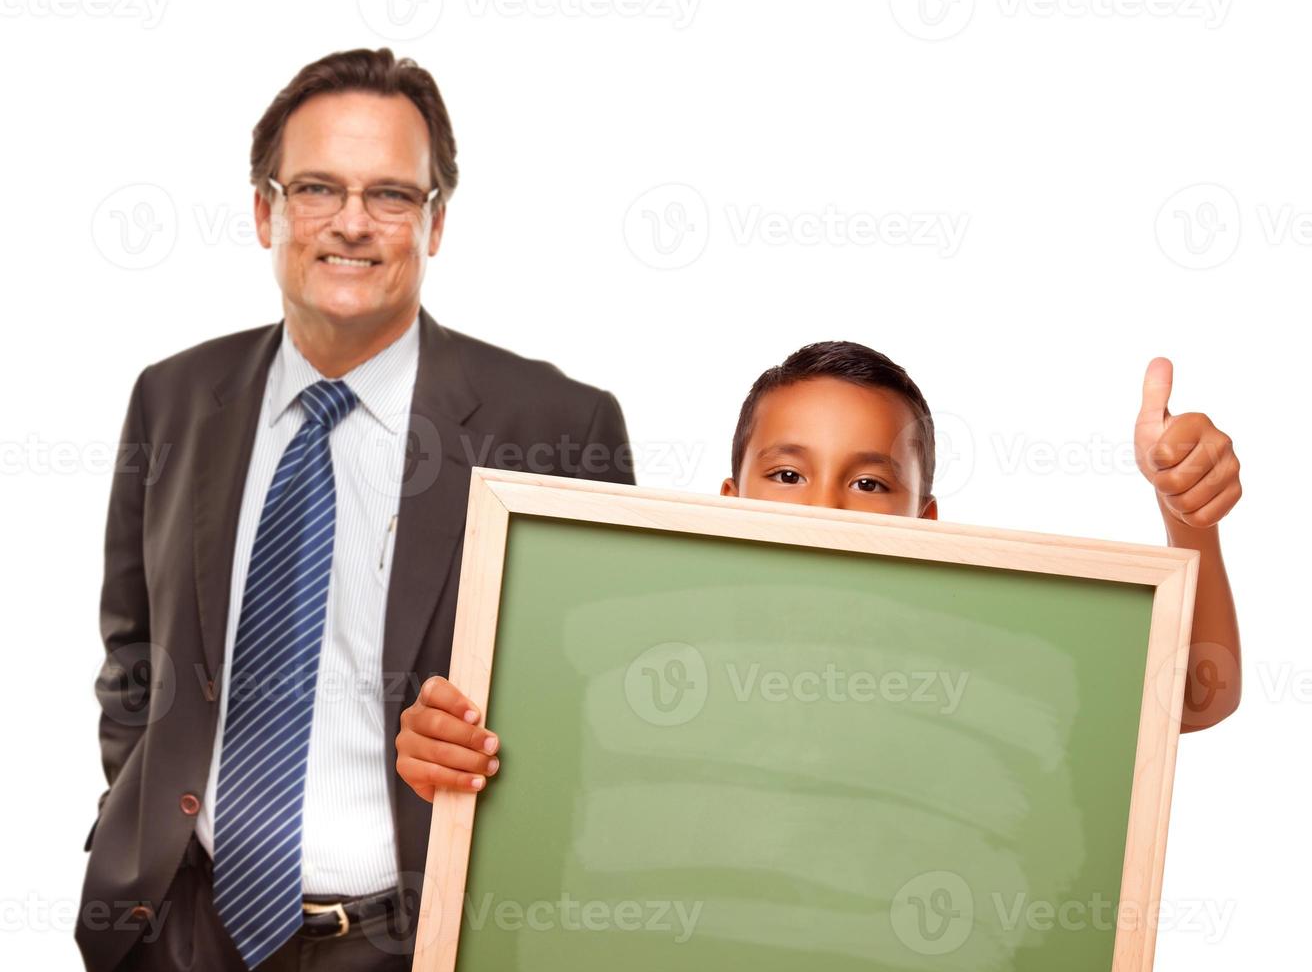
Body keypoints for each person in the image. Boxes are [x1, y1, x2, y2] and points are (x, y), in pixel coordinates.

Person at [76, 47, 633, 972]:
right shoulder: (173, 398)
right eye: (317, 189)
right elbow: (134, 653)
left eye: (390, 196)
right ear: (266, 209)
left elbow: (600, 724)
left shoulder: (558, 426)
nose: (351, 225)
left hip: (416, 944)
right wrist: (130, 840)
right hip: (178, 931)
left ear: (436, 222)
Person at [397, 340, 1242, 805]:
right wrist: (443, 753)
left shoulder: (975, 671)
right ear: (731, 500)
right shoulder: (642, 673)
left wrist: (1188, 516)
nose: (827, 509)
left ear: (926, 520)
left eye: (870, 483)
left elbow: (1198, 692)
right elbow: (504, 772)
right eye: (789, 474)